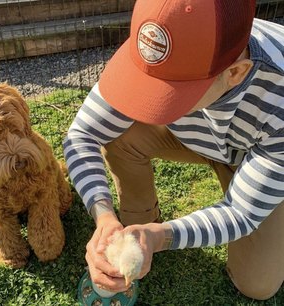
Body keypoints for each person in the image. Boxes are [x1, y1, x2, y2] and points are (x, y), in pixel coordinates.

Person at [63, 0, 284, 300]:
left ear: (235, 73)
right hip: (204, 137)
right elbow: (82, 135)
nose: (151, 101)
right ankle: (138, 222)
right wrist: (103, 216)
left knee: (257, 285)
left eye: (172, 93)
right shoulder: (161, 43)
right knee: (117, 132)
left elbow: (240, 213)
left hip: (260, 153)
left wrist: (163, 238)